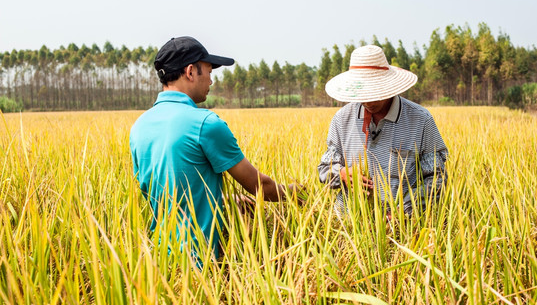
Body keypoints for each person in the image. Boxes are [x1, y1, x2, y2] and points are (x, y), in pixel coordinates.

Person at [130, 36, 295, 260]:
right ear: (190, 72)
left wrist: (221, 201)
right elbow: (260, 186)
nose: (211, 81)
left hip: (159, 262)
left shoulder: (139, 127)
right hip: (201, 263)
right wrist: (299, 193)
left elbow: (167, 194)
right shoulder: (205, 123)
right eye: (208, 72)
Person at [317, 45, 448, 218]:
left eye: (374, 92)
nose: (368, 101)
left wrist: (404, 211)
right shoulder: (342, 120)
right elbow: (324, 170)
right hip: (350, 223)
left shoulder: (420, 120)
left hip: (404, 225)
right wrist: (341, 174)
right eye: (362, 93)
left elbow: (437, 178)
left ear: (389, 86)